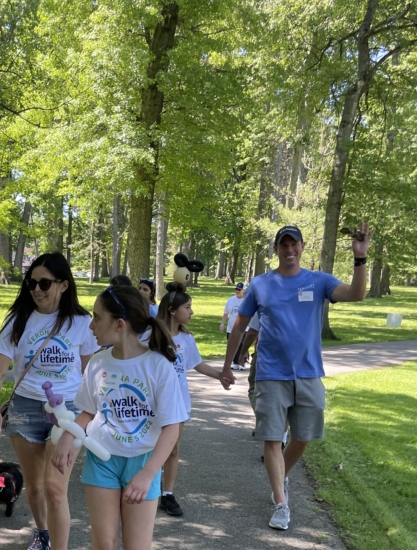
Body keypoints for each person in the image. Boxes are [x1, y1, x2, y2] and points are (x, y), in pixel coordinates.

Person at [52, 285, 186, 550]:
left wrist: (147, 474)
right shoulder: (97, 363)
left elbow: (172, 428)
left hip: (143, 463)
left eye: (97, 318)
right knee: (104, 547)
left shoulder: (158, 366)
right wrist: (69, 436)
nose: (91, 325)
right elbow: (86, 412)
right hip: (102, 460)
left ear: (120, 324)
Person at [222, 222, 372, 531]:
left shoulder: (318, 281)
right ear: (276, 249)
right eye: (284, 245)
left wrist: (360, 257)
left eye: (294, 244)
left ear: (302, 247)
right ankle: (281, 503)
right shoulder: (260, 284)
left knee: (304, 437)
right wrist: (228, 365)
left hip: (308, 372)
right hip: (270, 373)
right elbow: (239, 326)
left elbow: (356, 294)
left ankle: (282, 478)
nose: (289, 249)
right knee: (272, 437)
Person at [0, 253, 98, 550]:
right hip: (25, 408)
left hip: (67, 412)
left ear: (63, 285)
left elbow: (92, 374)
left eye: (45, 283)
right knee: (34, 487)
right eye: (32, 282)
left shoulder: (81, 323)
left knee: (54, 489)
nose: (37, 289)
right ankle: (43, 532)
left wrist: (91, 415)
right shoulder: (18, 320)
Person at [156, 283, 231, 517]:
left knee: (173, 449)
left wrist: (220, 375)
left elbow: (196, 364)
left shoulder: (186, 339)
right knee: (149, 447)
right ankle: (146, 488)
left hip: (178, 403)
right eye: (187, 307)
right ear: (172, 310)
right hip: (152, 402)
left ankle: (167, 494)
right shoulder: (151, 336)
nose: (191, 312)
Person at [220, 282, 247, 368]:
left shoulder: (247, 300)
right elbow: (226, 313)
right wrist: (222, 323)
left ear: (244, 290)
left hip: (243, 327)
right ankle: (235, 362)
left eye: (239, 289)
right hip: (231, 327)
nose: (237, 291)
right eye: (236, 289)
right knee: (232, 345)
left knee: (242, 345)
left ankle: (242, 363)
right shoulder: (231, 299)